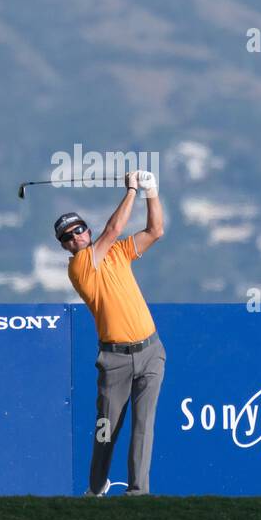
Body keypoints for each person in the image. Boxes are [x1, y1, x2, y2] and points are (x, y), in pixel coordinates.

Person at [56, 169, 165, 495]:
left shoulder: (117, 252)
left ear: (86, 230)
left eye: (78, 230)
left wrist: (151, 191)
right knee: (107, 430)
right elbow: (114, 227)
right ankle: (96, 487)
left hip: (151, 351)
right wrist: (131, 189)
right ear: (65, 246)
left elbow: (155, 231)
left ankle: (138, 492)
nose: (75, 237)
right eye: (67, 237)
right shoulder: (80, 265)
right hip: (115, 359)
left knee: (144, 426)